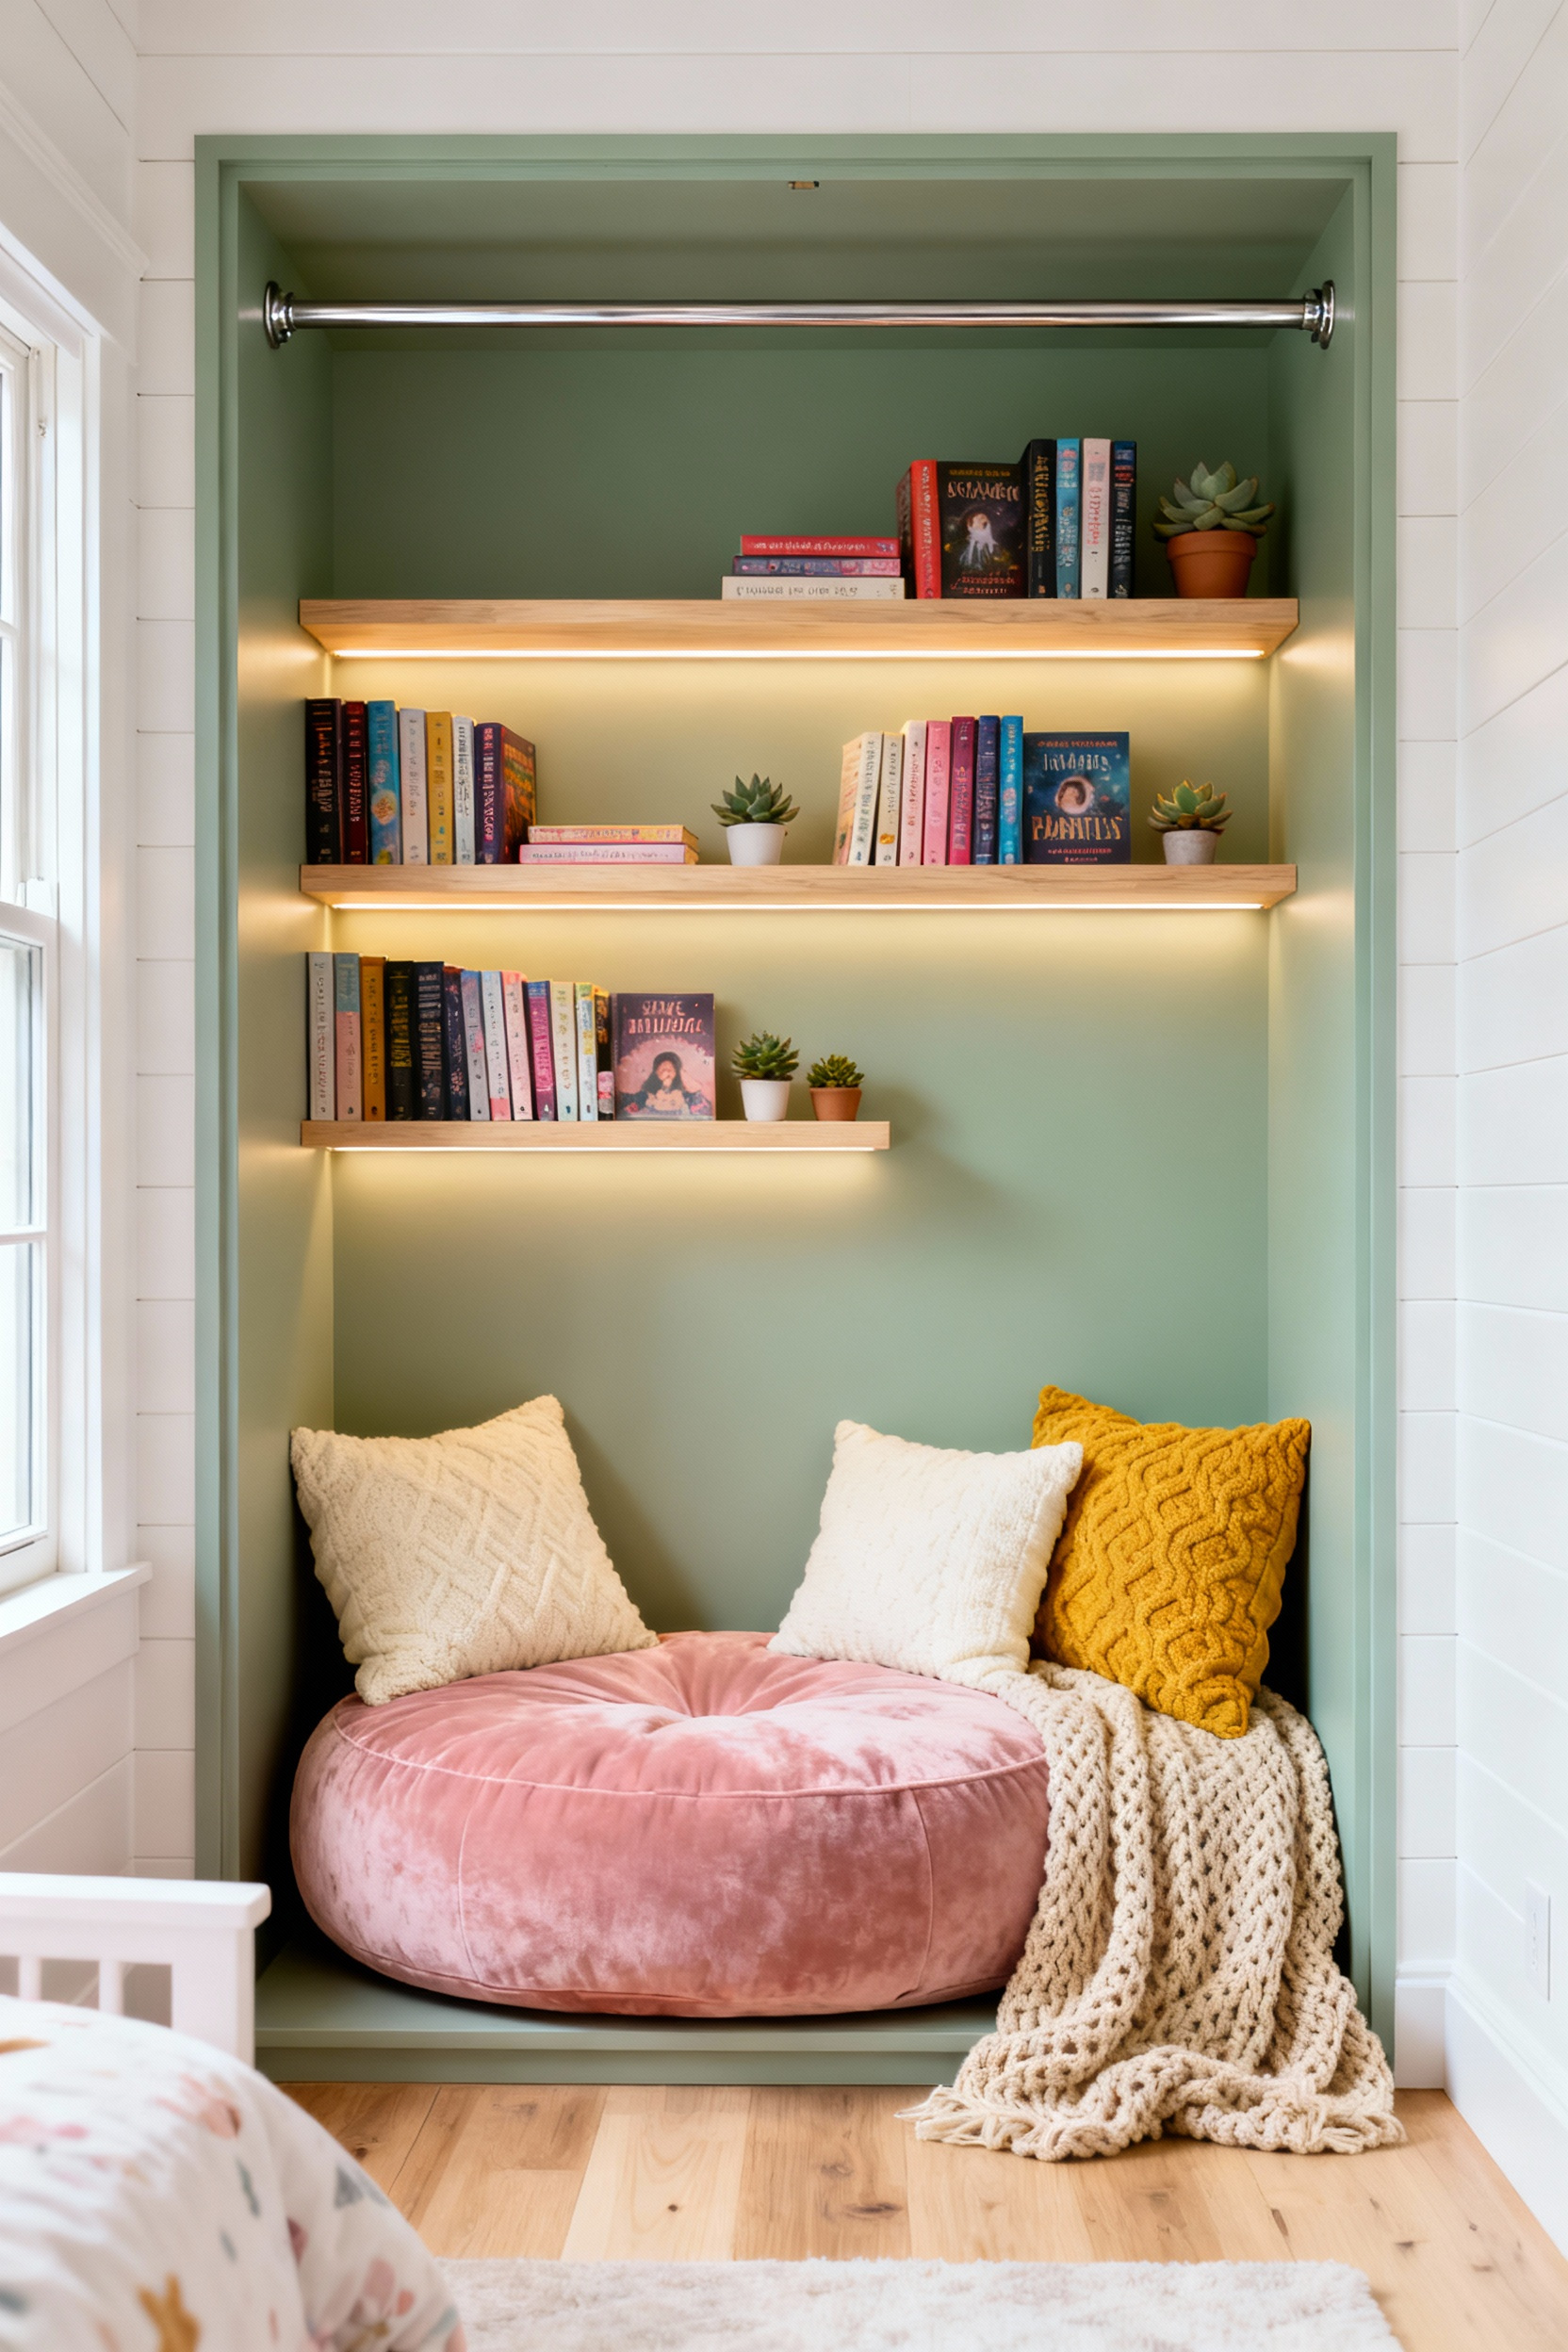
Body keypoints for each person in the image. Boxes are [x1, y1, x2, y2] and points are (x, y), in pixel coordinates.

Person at [622, 1047, 710, 1119]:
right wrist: (635, 1106)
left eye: (671, 1070)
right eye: (663, 1070)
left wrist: (682, 1072)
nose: (667, 1073)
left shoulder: (684, 1094)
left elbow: (701, 1107)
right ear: (656, 1072)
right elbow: (633, 1101)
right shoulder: (648, 1094)